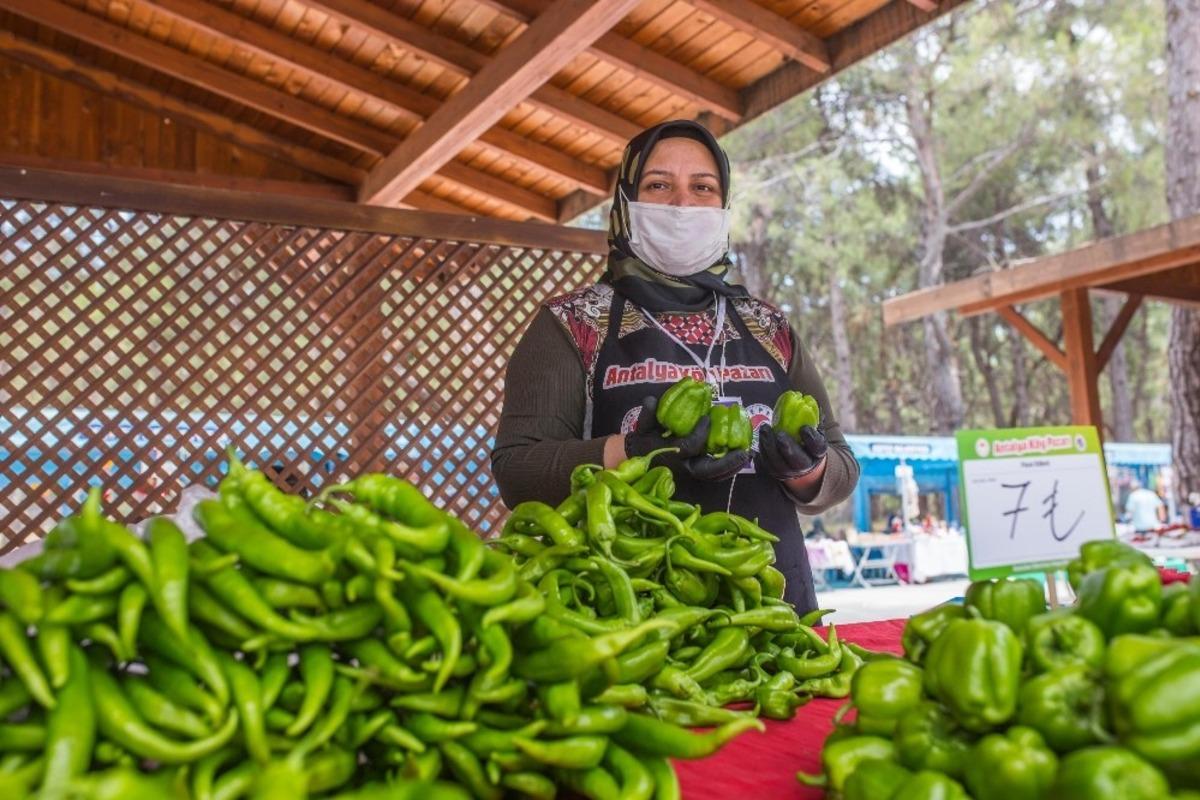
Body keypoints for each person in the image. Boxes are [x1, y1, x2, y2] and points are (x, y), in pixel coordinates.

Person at [490, 120, 860, 614]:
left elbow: (841, 466)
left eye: (702, 188)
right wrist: (635, 451)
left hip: (773, 606)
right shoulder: (572, 323)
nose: (682, 204)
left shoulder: (769, 326)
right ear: (624, 201)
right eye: (658, 185)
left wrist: (808, 471)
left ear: (724, 204)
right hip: (633, 612)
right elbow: (518, 471)